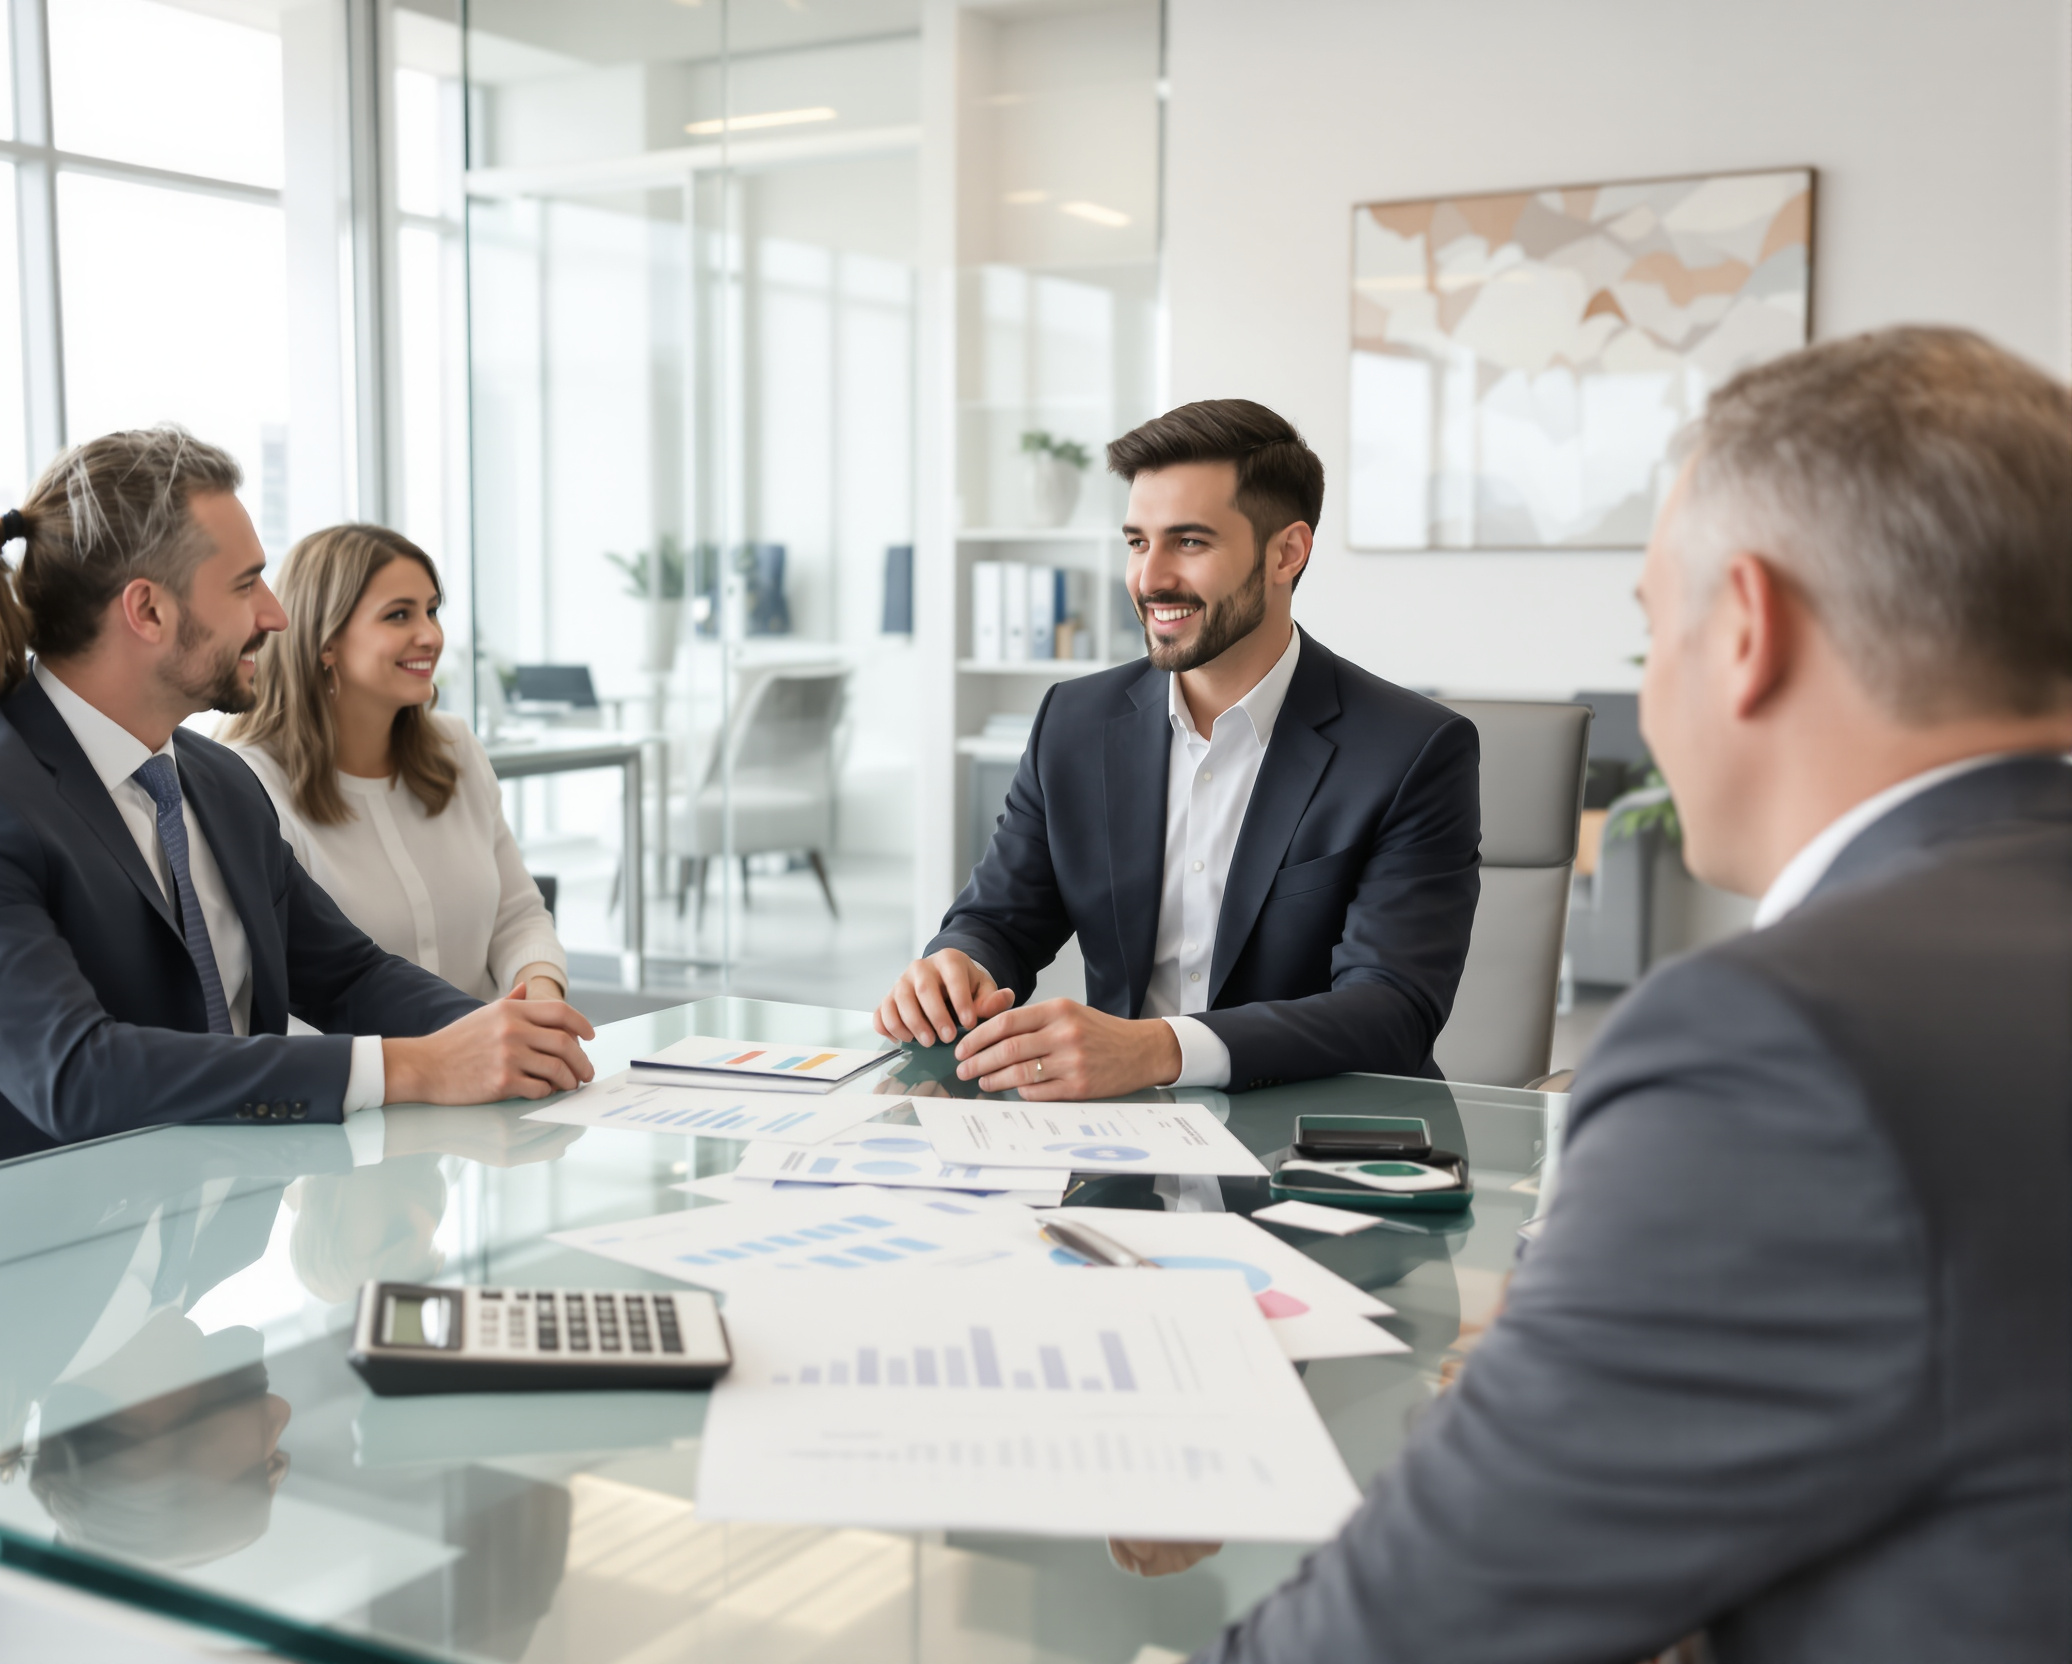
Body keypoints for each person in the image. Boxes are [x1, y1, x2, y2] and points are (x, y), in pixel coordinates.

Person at [1137, 328, 2072, 1662]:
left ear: (1746, 630)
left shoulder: (1775, 1044)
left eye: (1650, 625)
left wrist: (1548, 1397)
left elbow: (1407, 1632)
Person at [0, 427, 595, 1173]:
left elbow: (348, 977)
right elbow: (76, 1075)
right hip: (13, 1262)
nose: (276, 616)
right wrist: (415, 1068)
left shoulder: (214, 781)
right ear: (147, 612)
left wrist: (506, 1039)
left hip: (200, 1238)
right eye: (246, 585)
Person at [876, 400, 1481, 1098]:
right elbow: (998, 921)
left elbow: (1392, 1010)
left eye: (1189, 543)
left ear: (1287, 553)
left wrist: (1160, 1049)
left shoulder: (1411, 750)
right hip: (1113, 1144)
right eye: (1137, 542)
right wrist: (956, 966)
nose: (1150, 578)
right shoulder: (1074, 721)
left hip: (1314, 1150)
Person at [221, 524, 567, 1004]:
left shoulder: (456, 749)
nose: (430, 635)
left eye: (431, 611)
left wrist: (542, 1003)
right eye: (399, 615)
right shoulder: (248, 783)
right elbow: (262, 996)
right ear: (326, 642)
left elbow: (518, 917)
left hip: (500, 1069)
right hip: (367, 1078)